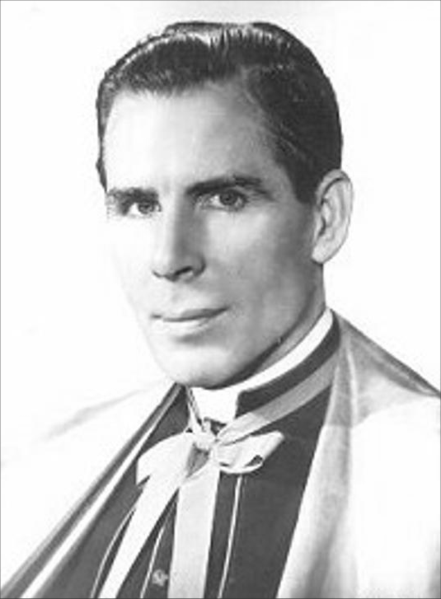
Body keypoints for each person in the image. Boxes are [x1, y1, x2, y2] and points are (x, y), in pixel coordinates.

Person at [2, 20, 439, 599]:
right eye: (139, 205)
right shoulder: (39, 463)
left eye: (224, 199)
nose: (170, 258)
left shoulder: (428, 477)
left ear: (325, 219)